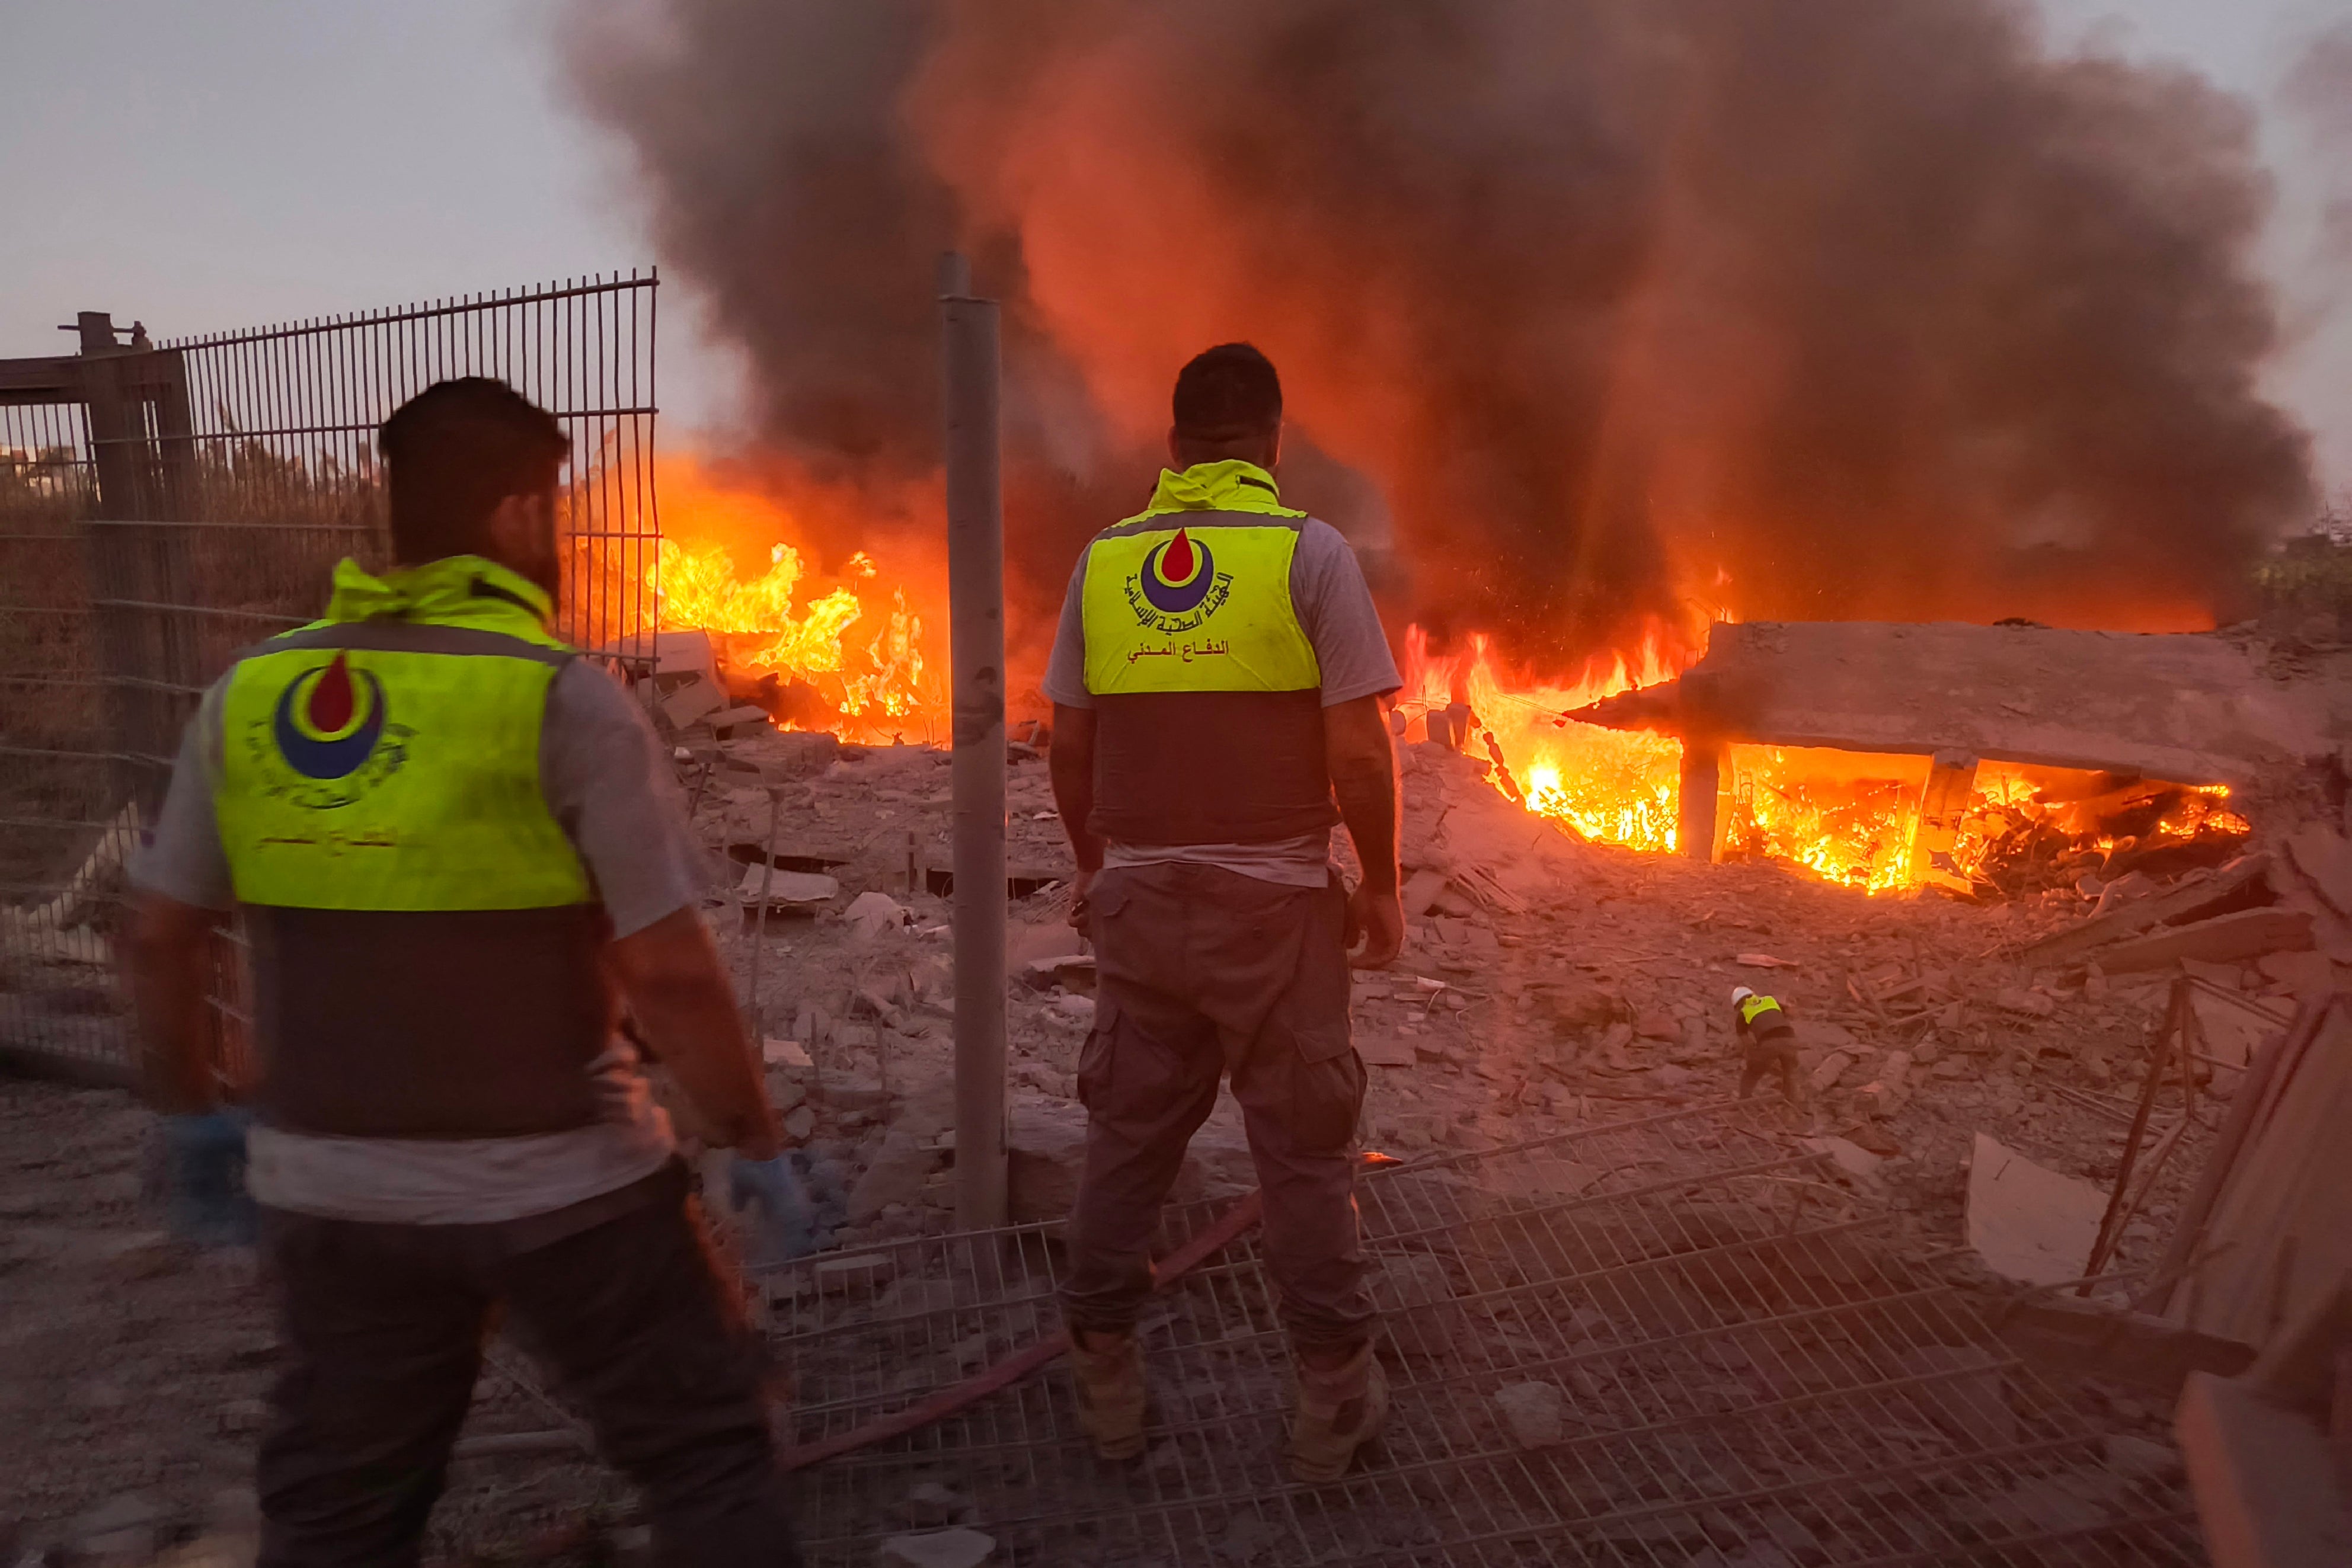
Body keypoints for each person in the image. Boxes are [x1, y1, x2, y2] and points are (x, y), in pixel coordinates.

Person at [123, 377, 806, 1567]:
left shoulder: (254, 694)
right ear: (517, 519)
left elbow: (160, 935)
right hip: (564, 1192)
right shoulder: (558, 696)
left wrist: (194, 1120)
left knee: (338, 1516)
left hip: (335, 1195)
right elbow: (672, 975)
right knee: (708, 1458)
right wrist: (755, 1143)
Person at [1043, 343, 1405, 1484]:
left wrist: (1101, 864)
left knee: (1127, 1139)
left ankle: (1103, 1377)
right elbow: (1356, 746)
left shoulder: (1103, 563)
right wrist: (1384, 880)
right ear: (1273, 443)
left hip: (1143, 900)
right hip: (1274, 904)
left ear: (1172, 450)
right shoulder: (1310, 553)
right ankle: (1331, 1407)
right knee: (1301, 1151)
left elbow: (1068, 741)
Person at [1731, 985, 1802, 1102]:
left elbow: (1745, 1039)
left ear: (1738, 1004)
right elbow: (1785, 1014)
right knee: (1790, 1072)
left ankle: (1744, 1100)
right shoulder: (1770, 1000)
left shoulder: (1744, 1012)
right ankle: (1791, 1101)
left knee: (1752, 1073)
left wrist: (1752, 1056)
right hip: (1790, 1039)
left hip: (1769, 1042)